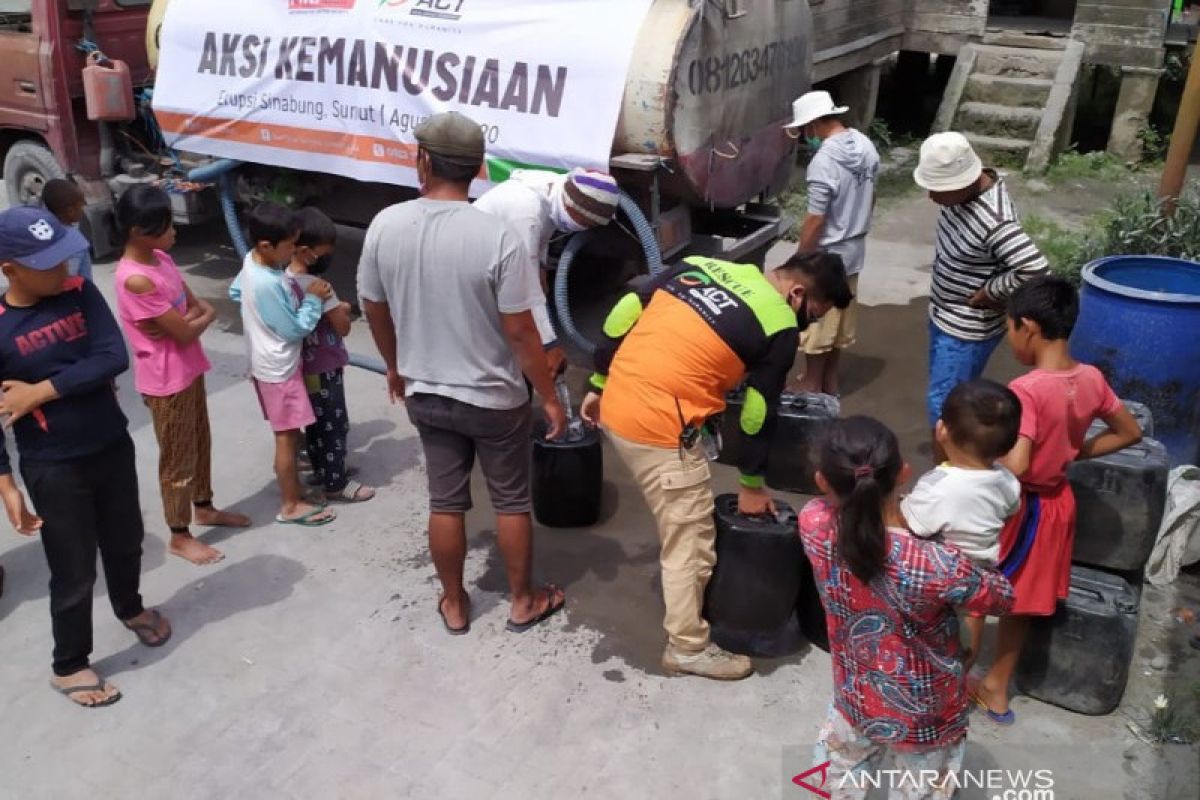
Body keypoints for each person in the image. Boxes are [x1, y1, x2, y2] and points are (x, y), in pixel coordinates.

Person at [580, 251, 853, 680]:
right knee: (690, 541)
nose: (809, 324)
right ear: (797, 294)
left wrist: (598, 381)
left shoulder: (704, 265)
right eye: (814, 315)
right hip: (659, 428)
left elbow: (626, 309)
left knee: (679, 518)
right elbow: (757, 413)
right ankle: (687, 646)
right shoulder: (778, 324)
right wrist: (751, 484)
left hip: (618, 403)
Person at [358, 111, 568, 636]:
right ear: (478, 170)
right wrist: (548, 395)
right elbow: (521, 332)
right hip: (494, 400)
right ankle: (523, 601)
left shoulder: (386, 224)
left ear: (423, 161)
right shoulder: (497, 237)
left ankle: (454, 602)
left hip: (427, 392)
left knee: (445, 501)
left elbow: (373, 306)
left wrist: (394, 365)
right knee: (512, 501)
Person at [0, 206, 171, 707]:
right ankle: (69, 663)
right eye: (48, 263)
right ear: (10, 268)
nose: (63, 269)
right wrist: (6, 483)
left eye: (63, 257)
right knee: (73, 568)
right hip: (53, 465)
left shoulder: (80, 292)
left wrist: (41, 392)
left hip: (110, 443)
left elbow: (112, 356)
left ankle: (131, 608)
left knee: (126, 540)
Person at [799, 416, 1014, 798]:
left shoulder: (813, 523)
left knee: (840, 779)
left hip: (855, 699)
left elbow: (862, 532)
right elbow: (1001, 597)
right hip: (925, 717)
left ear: (822, 481)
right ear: (904, 473)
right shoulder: (937, 565)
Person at [970, 276, 1142, 725]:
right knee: (1021, 601)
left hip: (1022, 508)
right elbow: (1130, 431)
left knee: (974, 591)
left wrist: (977, 458)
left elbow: (1021, 463)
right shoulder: (1090, 378)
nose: (1010, 340)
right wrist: (1076, 449)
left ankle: (956, 677)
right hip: (1059, 502)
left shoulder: (1028, 389)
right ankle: (997, 689)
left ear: (1028, 326)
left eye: (1009, 329)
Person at [113, 184, 251, 565]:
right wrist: (194, 320)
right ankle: (178, 533)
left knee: (200, 440)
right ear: (139, 231)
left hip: (188, 368)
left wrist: (193, 318)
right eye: (167, 225)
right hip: (164, 380)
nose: (175, 232)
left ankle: (204, 506)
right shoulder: (135, 278)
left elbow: (199, 310)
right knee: (176, 458)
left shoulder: (161, 260)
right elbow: (190, 325)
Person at [913, 132, 1048, 462]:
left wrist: (991, 291)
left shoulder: (995, 220)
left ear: (965, 182)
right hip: (945, 314)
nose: (931, 197)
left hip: (966, 327)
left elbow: (1035, 268)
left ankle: (945, 472)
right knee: (945, 395)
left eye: (939, 190)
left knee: (946, 405)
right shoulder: (962, 197)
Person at [900, 378, 1021, 668]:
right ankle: (960, 674)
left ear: (942, 430)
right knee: (971, 619)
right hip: (979, 573)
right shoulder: (1007, 481)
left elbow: (911, 525)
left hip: (935, 580)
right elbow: (1011, 510)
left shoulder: (938, 486)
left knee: (924, 640)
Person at [230, 202, 336, 527]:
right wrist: (314, 299)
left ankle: (296, 491)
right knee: (286, 437)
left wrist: (259, 318)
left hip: (264, 363)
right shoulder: (267, 283)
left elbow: (235, 291)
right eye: (290, 246)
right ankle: (291, 503)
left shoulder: (252, 264)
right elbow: (295, 329)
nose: (294, 253)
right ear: (267, 245)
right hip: (279, 369)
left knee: (288, 434)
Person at [474, 167, 620, 376]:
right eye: (582, 221)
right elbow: (524, 285)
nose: (581, 228)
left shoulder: (555, 191)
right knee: (501, 335)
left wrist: (541, 266)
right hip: (471, 266)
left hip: (495, 260)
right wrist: (549, 344)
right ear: (570, 205)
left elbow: (541, 234)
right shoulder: (525, 210)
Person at [784, 91, 879, 396]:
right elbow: (872, 195)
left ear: (814, 124)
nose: (805, 137)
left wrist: (799, 261)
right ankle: (831, 382)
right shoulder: (865, 146)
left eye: (804, 130)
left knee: (816, 321)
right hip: (855, 248)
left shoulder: (823, 162)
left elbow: (815, 219)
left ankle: (811, 383)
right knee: (841, 318)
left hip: (827, 253)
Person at [287, 207, 375, 503]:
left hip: (305, 365)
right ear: (307, 251)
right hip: (325, 367)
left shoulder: (285, 280)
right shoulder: (319, 286)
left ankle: (323, 469)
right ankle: (336, 484)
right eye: (324, 252)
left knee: (315, 422)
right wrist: (342, 310)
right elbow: (343, 327)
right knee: (335, 424)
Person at [40, 179, 92, 281]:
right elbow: (69, 278)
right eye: (81, 205)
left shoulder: (42, 231)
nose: (83, 208)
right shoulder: (74, 240)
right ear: (70, 211)